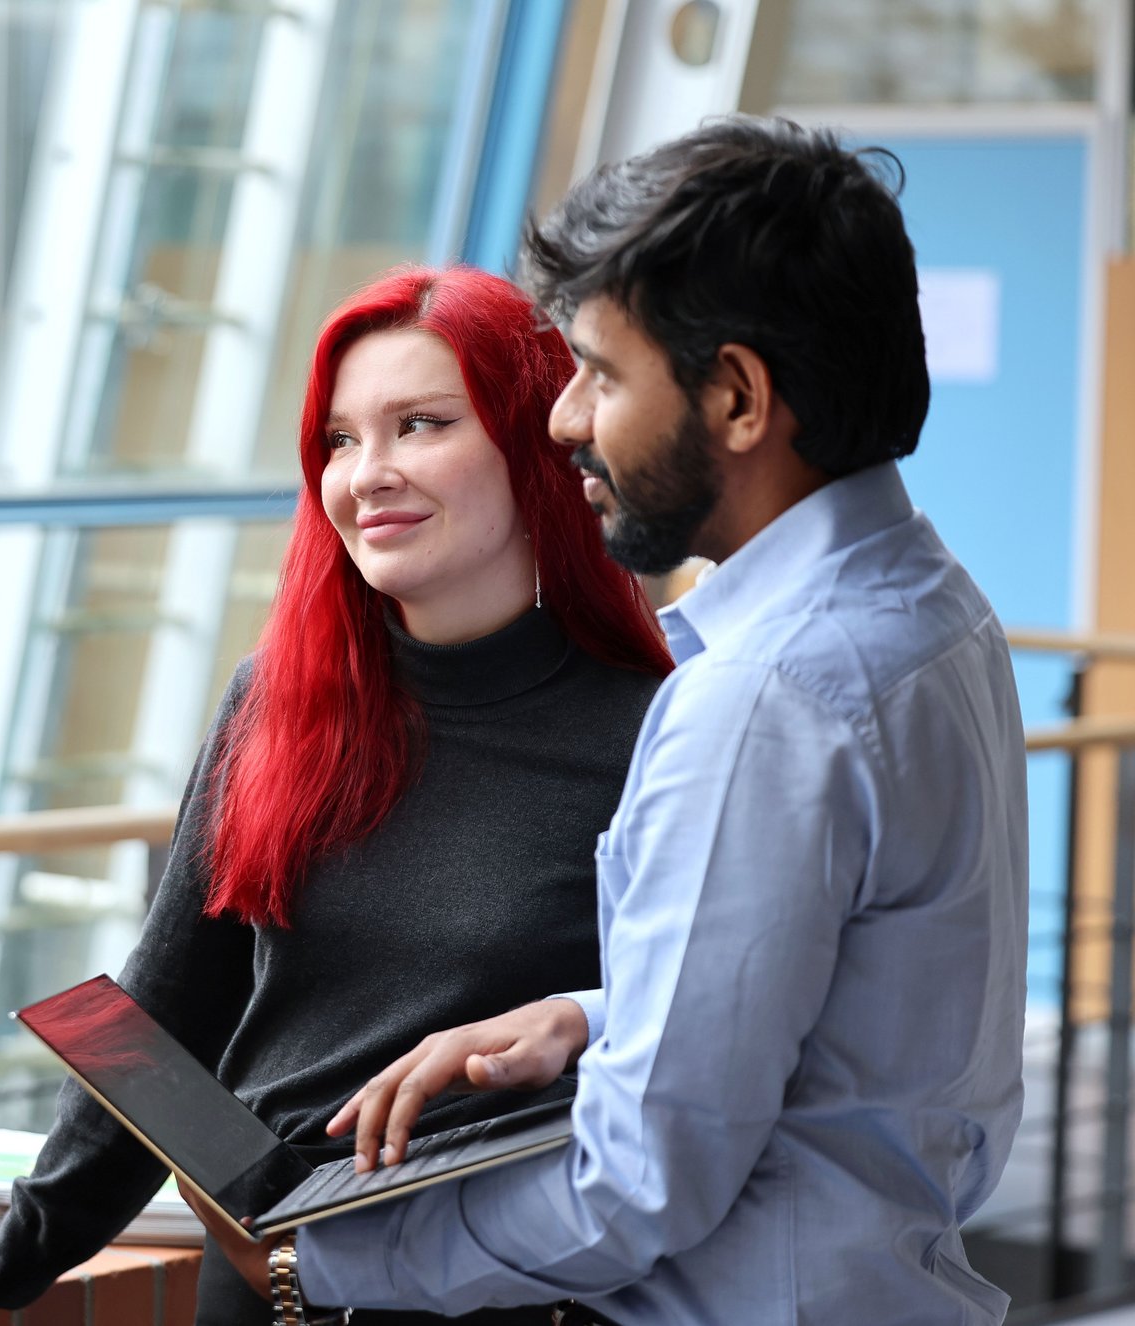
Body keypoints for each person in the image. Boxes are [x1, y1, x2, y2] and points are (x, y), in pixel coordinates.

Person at [190, 117, 1032, 1326]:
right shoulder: (937, 612)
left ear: (738, 397)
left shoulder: (761, 704)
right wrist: (592, 1016)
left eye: (602, 372)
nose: (564, 419)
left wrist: (308, 1262)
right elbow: (847, 1001)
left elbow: (633, 1190)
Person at [0, 265, 673, 1325]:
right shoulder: (280, 700)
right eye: (339, 441)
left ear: (537, 441)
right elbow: (162, 1017)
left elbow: (697, 1054)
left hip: (505, 1295)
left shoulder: (657, 729)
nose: (366, 474)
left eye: (419, 425)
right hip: (263, 1287)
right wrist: (0, 1269)